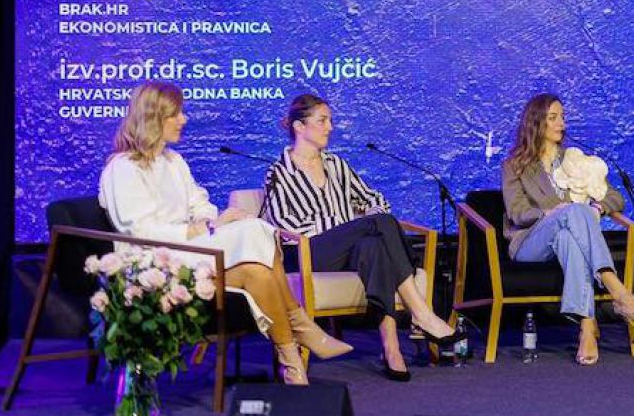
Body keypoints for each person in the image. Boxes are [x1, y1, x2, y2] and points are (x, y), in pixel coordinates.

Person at [98, 82, 349, 386]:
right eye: (176, 114)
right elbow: (140, 230)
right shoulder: (123, 168)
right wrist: (202, 228)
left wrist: (211, 220)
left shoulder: (173, 162)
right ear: (154, 118)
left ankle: (291, 360)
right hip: (155, 262)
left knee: (257, 251)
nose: (183, 119)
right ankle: (301, 329)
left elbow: (199, 202)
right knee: (255, 240)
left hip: (189, 251)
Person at [260, 94, 465, 382]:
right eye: (322, 120)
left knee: (374, 244)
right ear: (299, 126)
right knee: (375, 227)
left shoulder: (337, 165)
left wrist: (359, 225)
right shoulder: (279, 172)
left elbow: (376, 200)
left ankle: (391, 347)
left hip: (350, 251)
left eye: (330, 120)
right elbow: (286, 224)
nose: (330, 127)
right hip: (310, 253)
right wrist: (348, 226)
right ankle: (421, 312)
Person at [501, 93, 634, 366]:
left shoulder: (575, 160)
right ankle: (617, 290)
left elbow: (616, 198)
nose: (562, 123)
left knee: (568, 237)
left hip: (564, 239)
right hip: (529, 242)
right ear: (536, 123)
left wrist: (597, 208)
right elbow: (517, 213)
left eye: (562, 117)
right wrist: (550, 212)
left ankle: (587, 327)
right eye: (553, 118)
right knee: (571, 212)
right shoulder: (515, 165)